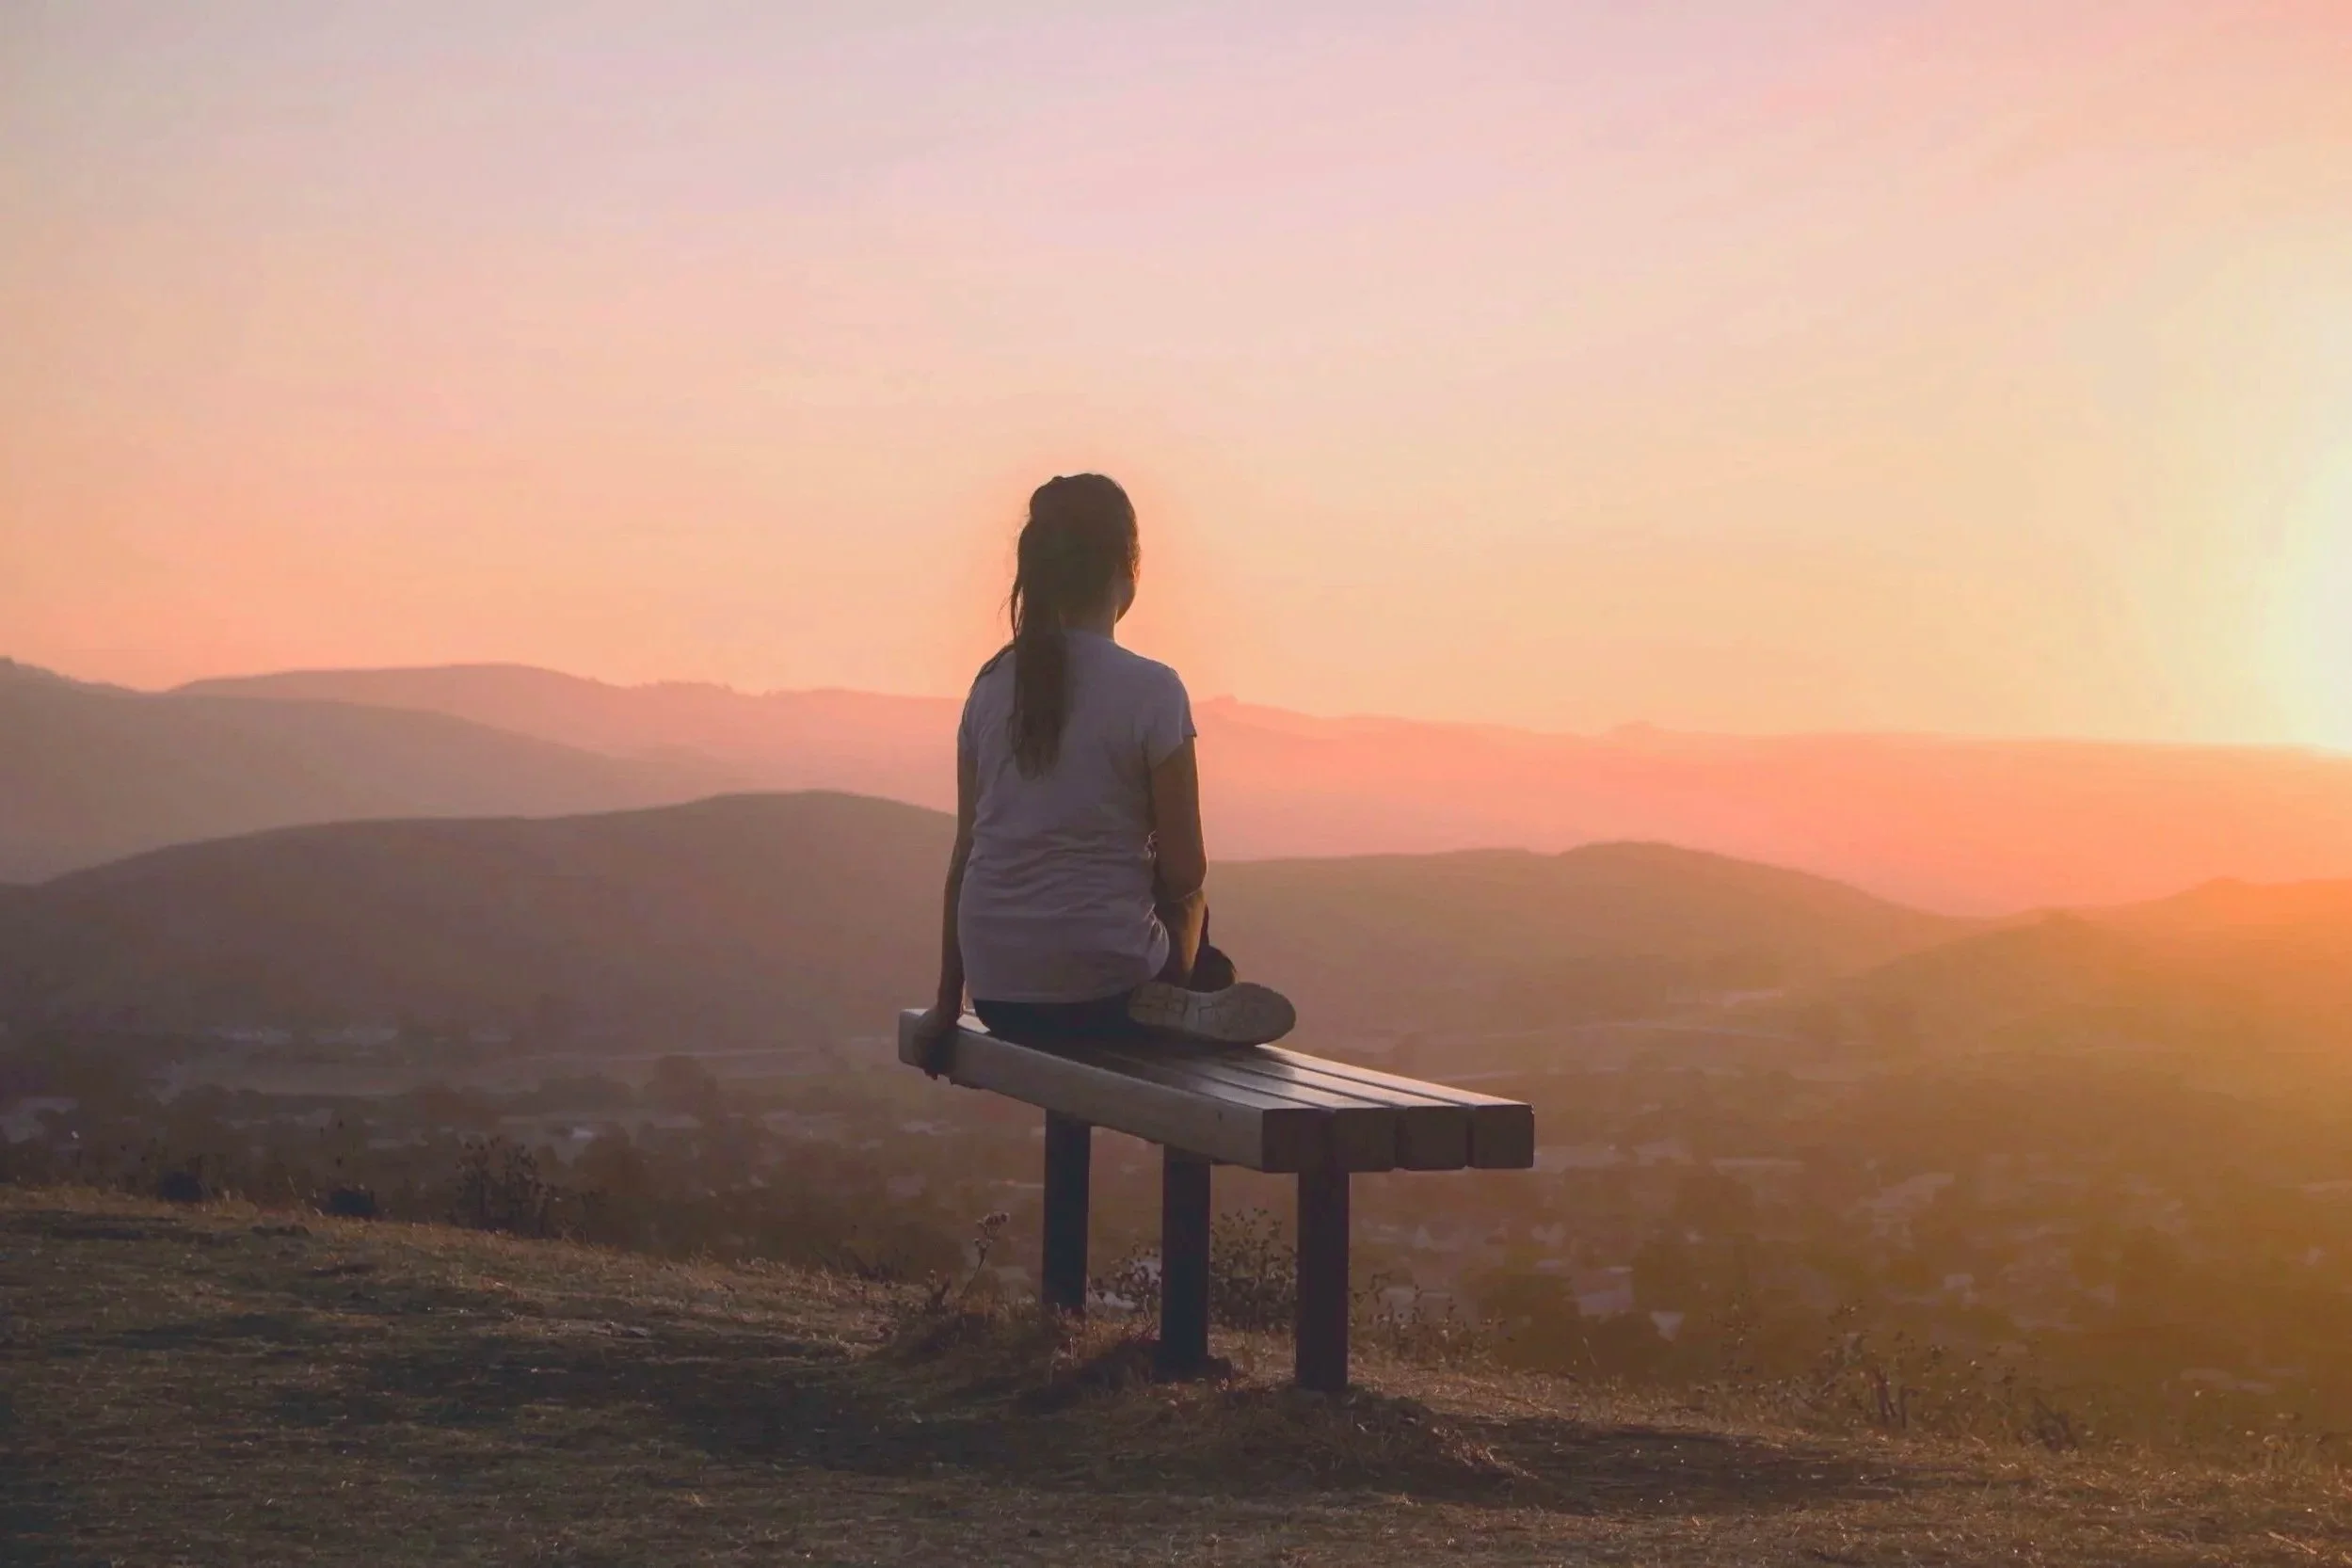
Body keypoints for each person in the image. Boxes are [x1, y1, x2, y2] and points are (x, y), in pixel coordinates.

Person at [910, 473, 1295, 1072]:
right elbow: (1186, 869)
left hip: (998, 996)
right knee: (1194, 903)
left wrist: (944, 1005)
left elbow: (966, 855)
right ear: (1128, 568)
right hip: (1109, 993)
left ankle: (1184, 995)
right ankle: (1192, 993)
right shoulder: (1153, 690)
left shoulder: (988, 688)